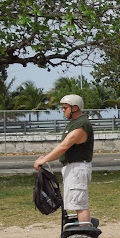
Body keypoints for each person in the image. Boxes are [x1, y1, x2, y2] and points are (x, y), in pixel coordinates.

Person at [34, 95, 94, 223]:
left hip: (77, 168)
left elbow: (64, 146)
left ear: (75, 107)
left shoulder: (81, 125)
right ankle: (82, 233)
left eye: (65, 108)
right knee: (75, 203)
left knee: (80, 205)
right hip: (72, 168)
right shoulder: (73, 124)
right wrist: (46, 157)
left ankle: (85, 235)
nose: (63, 110)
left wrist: (44, 160)